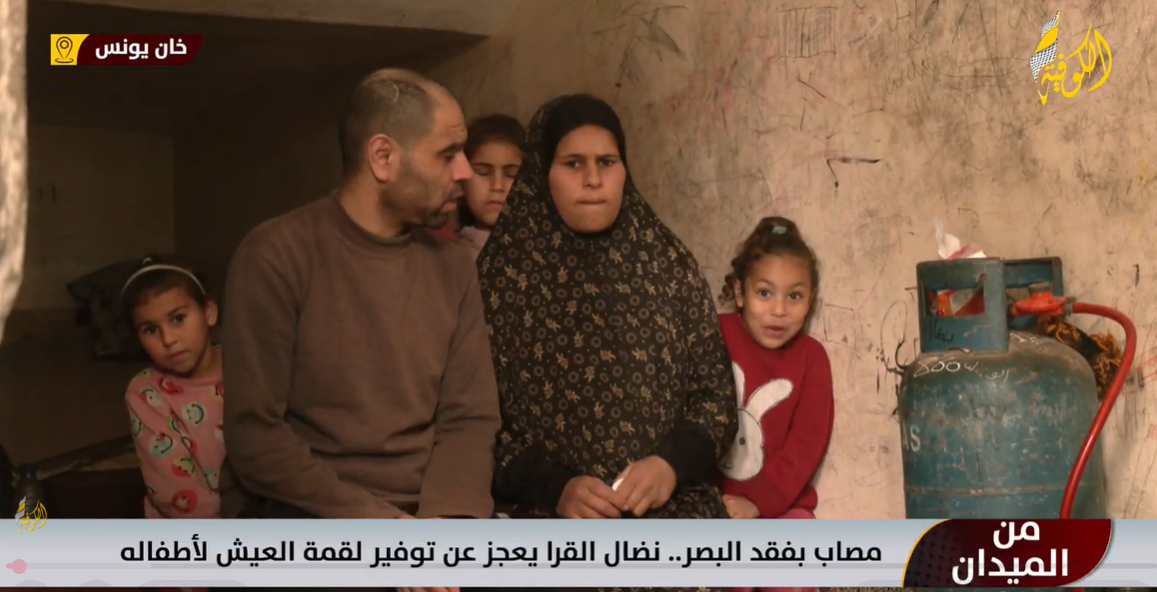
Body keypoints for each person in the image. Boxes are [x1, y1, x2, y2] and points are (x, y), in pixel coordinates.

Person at [219, 68, 502, 523]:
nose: (465, 171)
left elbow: (469, 418)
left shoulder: (453, 268)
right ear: (383, 157)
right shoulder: (275, 254)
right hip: (306, 511)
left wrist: (447, 527)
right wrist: (384, 529)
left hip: (426, 516)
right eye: (448, 154)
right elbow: (256, 438)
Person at [479, 93, 738, 526]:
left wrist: (669, 465)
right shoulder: (501, 280)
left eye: (607, 162)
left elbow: (716, 399)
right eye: (573, 163)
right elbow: (475, 422)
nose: (593, 179)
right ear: (541, 172)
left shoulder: (667, 265)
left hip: (670, 509)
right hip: (544, 515)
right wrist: (556, 488)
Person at [715, 216, 834, 522]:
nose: (779, 310)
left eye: (794, 296)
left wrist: (756, 502)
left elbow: (805, 446)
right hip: (711, 506)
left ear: (810, 300)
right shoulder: (715, 334)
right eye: (764, 293)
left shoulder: (811, 358)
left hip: (782, 509)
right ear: (740, 292)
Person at [121, 256, 224, 519]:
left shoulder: (249, 367)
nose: (168, 339)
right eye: (150, 329)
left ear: (209, 313)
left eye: (178, 318)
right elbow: (180, 498)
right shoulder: (145, 394)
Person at [456, 114, 525, 259]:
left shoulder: (549, 251)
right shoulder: (451, 257)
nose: (497, 186)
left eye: (511, 175)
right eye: (483, 172)